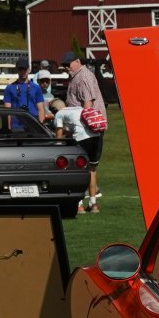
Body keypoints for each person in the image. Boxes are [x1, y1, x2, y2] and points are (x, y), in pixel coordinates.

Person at [62, 51, 106, 205]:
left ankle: (84, 200)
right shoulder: (77, 76)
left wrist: (82, 128)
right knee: (88, 166)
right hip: (86, 128)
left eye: (69, 64)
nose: (67, 67)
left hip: (86, 129)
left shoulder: (82, 77)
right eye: (64, 65)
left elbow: (88, 104)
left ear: (77, 61)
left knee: (83, 166)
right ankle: (92, 197)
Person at [51, 101, 100, 212]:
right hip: (96, 137)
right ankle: (93, 205)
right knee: (91, 170)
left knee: (78, 170)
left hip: (82, 139)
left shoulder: (59, 114)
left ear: (54, 109)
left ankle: (79, 205)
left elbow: (58, 138)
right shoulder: (77, 108)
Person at [2, 57, 47, 122]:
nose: (23, 71)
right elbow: (7, 111)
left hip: (33, 124)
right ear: (16, 70)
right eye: (20, 69)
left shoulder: (36, 88)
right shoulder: (9, 88)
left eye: (24, 69)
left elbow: (41, 109)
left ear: (29, 70)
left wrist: (41, 126)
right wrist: (8, 128)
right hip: (16, 125)